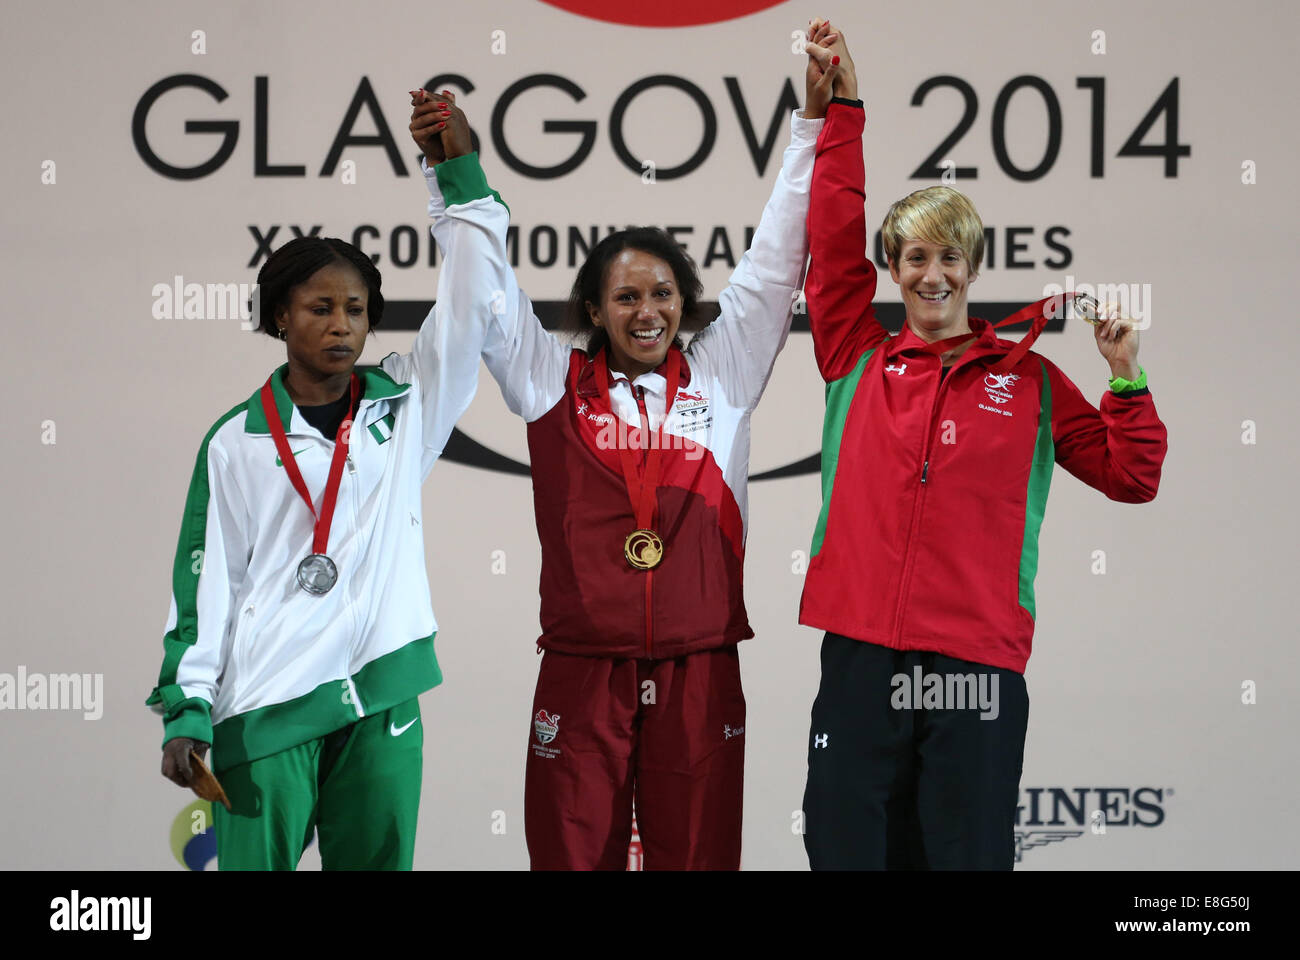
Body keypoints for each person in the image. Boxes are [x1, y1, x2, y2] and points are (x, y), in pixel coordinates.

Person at [412, 21, 841, 869]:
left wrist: (809, 128)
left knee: (699, 858)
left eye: (664, 292)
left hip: (700, 666)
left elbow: (773, 261)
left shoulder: (723, 372)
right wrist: (453, 175)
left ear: (684, 301)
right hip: (582, 670)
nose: (648, 310)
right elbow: (482, 295)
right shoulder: (549, 381)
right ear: (596, 311)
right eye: (625, 297)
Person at [797, 28, 1169, 869]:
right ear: (892, 268)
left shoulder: (1032, 381)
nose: (934, 274)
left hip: (975, 664)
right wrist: (844, 111)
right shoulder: (857, 353)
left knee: (963, 856)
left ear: (973, 268)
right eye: (916, 256)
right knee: (848, 851)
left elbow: (1130, 475)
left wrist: (1126, 379)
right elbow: (830, 237)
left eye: (951, 257)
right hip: (860, 649)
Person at [147, 91, 506, 869]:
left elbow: (475, 297)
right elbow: (205, 586)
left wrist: (457, 170)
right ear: (280, 316)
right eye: (319, 308)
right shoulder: (234, 442)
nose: (341, 325)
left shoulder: (406, 408)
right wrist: (189, 708)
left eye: (356, 310)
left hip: (382, 697)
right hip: (266, 706)